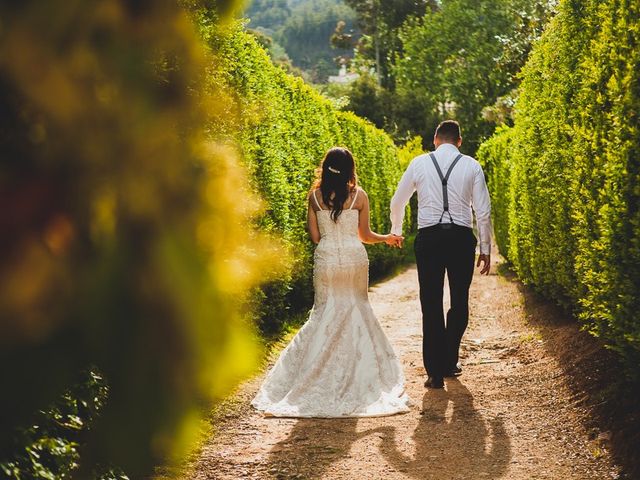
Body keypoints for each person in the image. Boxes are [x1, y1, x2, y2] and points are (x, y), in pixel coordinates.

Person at [252, 147, 411, 417]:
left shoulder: (314, 197)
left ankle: (314, 373)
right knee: (356, 309)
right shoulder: (359, 196)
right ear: (350, 169)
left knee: (324, 313)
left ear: (325, 168)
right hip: (354, 258)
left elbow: (315, 237)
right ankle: (356, 373)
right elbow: (365, 235)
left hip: (326, 258)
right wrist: (387, 237)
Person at [389, 120, 492, 389]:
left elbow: (398, 201)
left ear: (435, 139)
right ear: (459, 141)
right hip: (460, 239)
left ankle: (434, 372)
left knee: (431, 303)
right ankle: (449, 359)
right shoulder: (471, 165)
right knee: (459, 301)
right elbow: (483, 210)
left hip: (429, 239)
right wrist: (485, 248)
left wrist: (396, 230)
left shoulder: (419, 163)